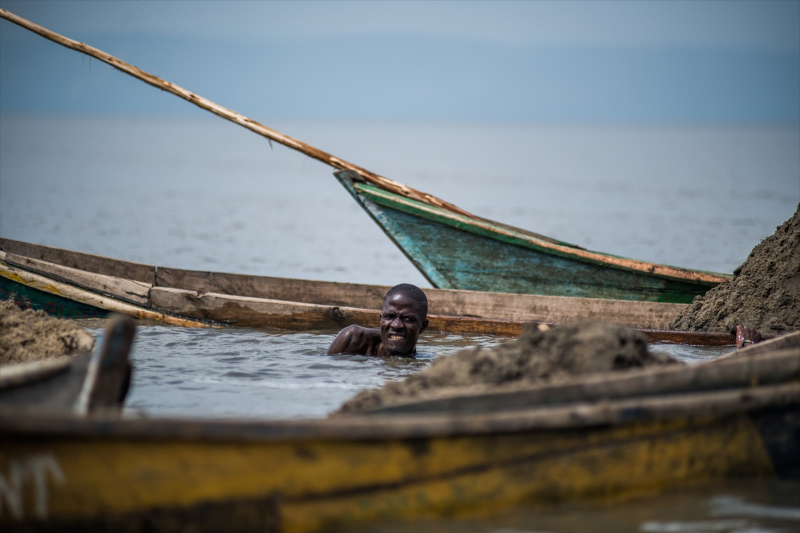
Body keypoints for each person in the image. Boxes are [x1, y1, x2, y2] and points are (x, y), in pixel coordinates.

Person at [327, 284, 429, 357]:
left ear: (423, 327)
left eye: (407, 319)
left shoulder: (425, 367)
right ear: (380, 319)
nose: (396, 325)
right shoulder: (354, 340)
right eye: (389, 316)